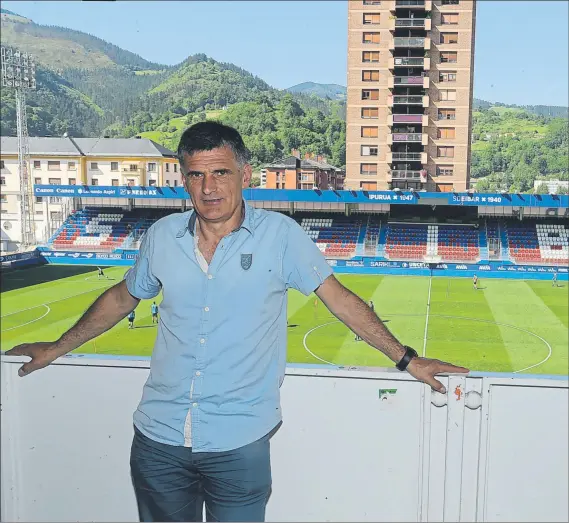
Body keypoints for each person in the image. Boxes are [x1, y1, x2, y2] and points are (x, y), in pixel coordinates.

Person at [6, 122, 468, 523]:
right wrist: (56, 347)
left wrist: (408, 360)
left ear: (244, 176)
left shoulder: (281, 235)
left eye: (221, 172)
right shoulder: (162, 237)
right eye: (197, 175)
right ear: (184, 181)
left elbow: (342, 301)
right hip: (159, 436)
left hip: (239, 439)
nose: (209, 187)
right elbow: (122, 298)